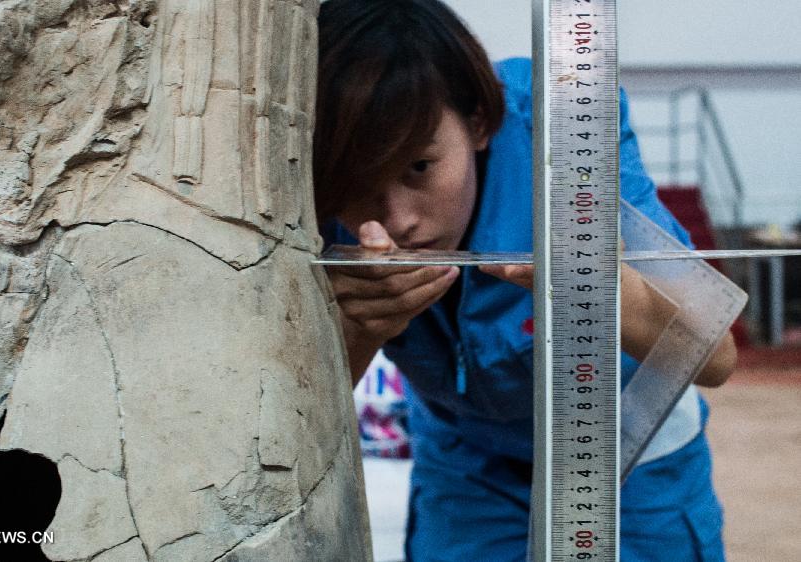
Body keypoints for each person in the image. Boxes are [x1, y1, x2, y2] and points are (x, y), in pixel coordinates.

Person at [314, 1, 737, 560]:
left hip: (634, 455)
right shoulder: (309, 163)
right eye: (358, 183)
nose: (397, 220)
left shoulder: (566, 129)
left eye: (419, 168)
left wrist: (600, 290)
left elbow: (716, 356)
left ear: (479, 123)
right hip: (467, 464)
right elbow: (304, 408)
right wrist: (360, 328)